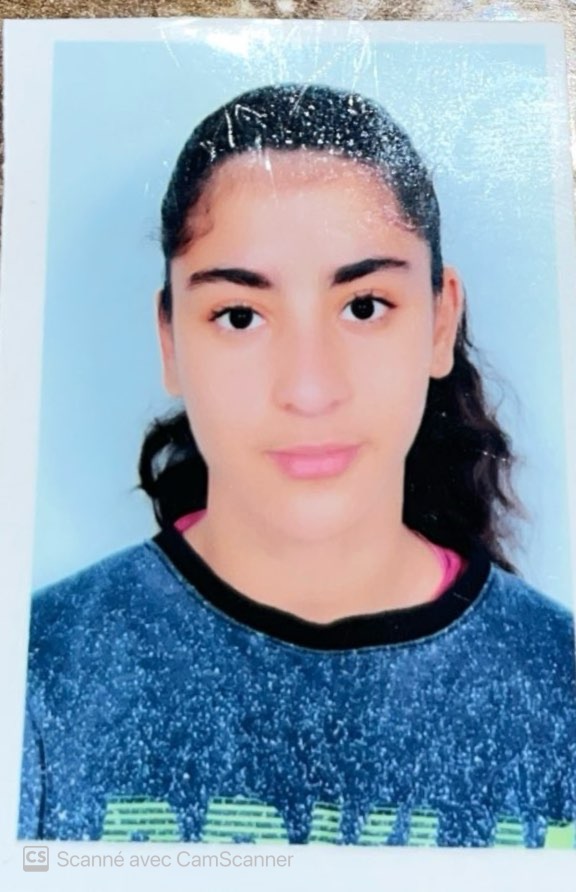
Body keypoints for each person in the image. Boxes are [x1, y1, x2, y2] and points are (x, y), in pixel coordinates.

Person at [19, 83, 576, 847]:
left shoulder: (562, 685)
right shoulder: (36, 682)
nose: (309, 390)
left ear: (440, 321)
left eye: (364, 306)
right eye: (240, 316)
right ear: (170, 340)